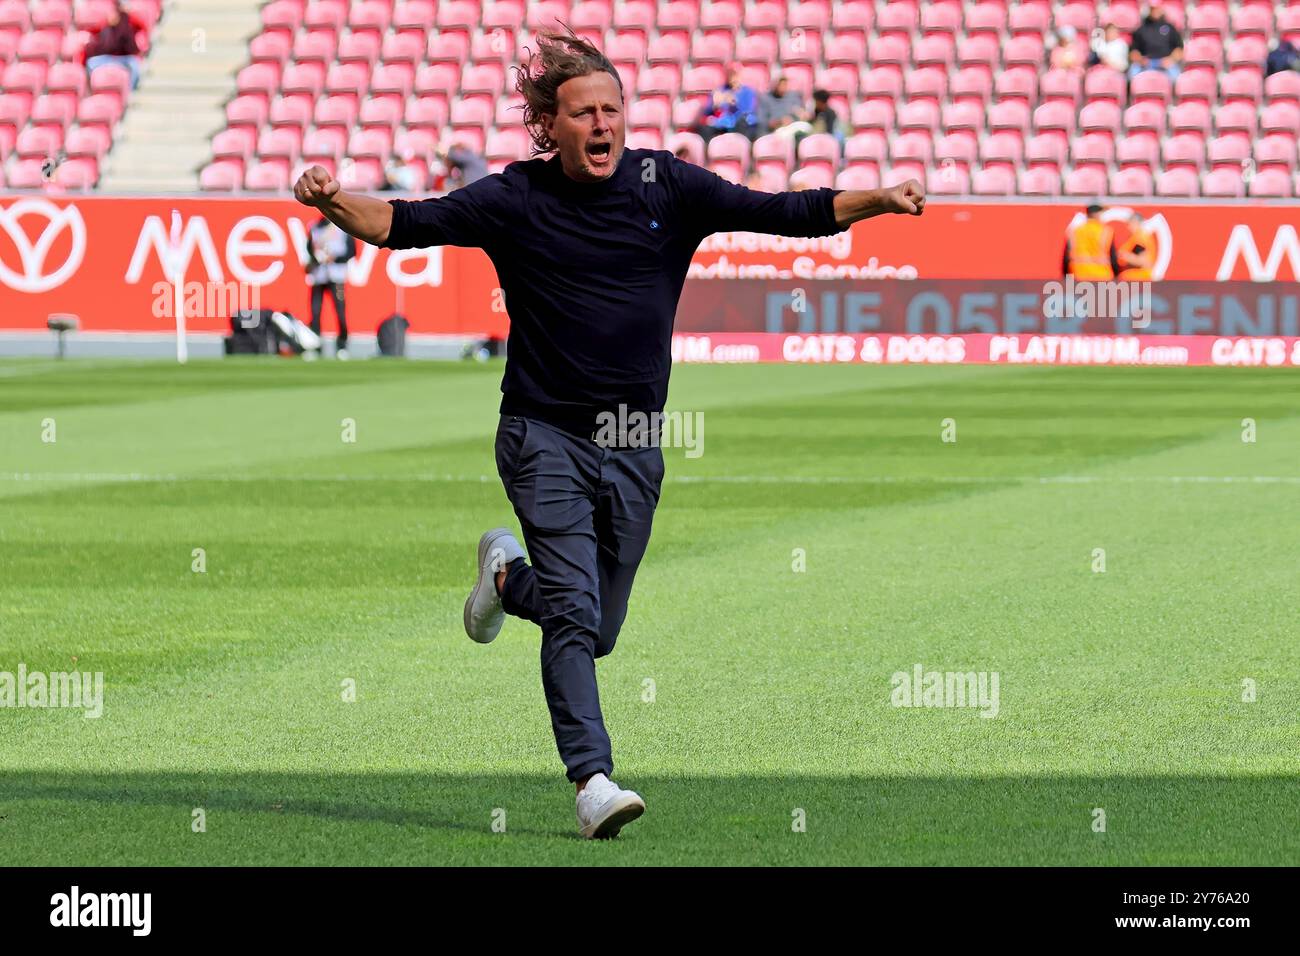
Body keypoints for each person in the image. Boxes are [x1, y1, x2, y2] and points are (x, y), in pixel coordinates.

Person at [292, 31, 925, 840]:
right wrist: (330, 200)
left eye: (612, 110)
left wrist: (880, 199)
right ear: (549, 126)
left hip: (634, 439)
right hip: (540, 432)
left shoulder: (667, 184)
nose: (602, 125)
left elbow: (782, 212)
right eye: (584, 112)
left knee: (597, 630)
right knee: (574, 617)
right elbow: (405, 224)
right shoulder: (513, 197)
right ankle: (592, 781)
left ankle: (503, 580)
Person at [304, 217, 355, 359]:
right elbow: (309, 249)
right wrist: (315, 260)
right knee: (315, 312)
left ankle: (342, 344)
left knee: (340, 312)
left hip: (336, 275)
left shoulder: (342, 227)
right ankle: (315, 345)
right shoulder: (315, 228)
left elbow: (351, 251)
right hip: (319, 275)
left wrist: (334, 259)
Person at [85, 0, 144, 90]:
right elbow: (101, 45)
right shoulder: (106, 26)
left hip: (124, 58)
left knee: (135, 65)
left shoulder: (128, 23)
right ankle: (94, 89)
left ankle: (129, 92)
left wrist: (129, 15)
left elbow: (141, 27)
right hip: (108, 58)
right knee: (91, 63)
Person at [695, 64, 760, 142]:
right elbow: (707, 112)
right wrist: (714, 105)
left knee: (744, 125)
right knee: (704, 127)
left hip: (740, 124)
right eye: (730, 75)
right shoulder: (720, 90)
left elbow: (748, 111)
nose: (733, 78)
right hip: (722, 124)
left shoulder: (748, 91)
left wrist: (735, 103)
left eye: (735, 75)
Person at [1129, 1, 1184, 81]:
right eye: (1152, 8)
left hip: (1166, 62)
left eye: (1157, 8)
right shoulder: (1141, 29)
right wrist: (1141, 60)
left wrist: (1170, 60)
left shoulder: (1170, 27)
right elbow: (1133, 52)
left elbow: (1179, 49)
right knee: (1132, 74)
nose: (1155, 10)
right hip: (1146, 63)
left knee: (1176, 78)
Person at [1062, 202, 1115, 280]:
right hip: (1101, 275)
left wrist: (1066, 276)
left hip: (1078, 274)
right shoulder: (1105, 231)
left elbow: (1067, 257)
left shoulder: (1074, 231)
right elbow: (1113, 257)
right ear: (1097, 214)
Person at [1115, 212, 1154, 280]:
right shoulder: (1137, 237)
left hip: (1139, 278)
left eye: (1129, 224)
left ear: (1136, 223)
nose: (1128, 227)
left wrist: (1125, 256)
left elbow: (1143, 261)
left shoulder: (1140, 238)